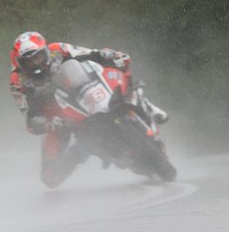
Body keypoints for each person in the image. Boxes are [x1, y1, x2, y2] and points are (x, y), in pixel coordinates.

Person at [9, 31, 169, 187]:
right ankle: (80, 151)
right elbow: (30, 119)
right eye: (29, 61)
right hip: (58, 117)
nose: (36, 63)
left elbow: (92, 53)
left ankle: (142, 102)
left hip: (82, 90)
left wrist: (112, 55)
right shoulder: (17, 82)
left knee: (120, 74)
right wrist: (47, 123)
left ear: (45, 50)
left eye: (38, 56)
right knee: (50, 177)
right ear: (19, 63)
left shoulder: (57, 49)